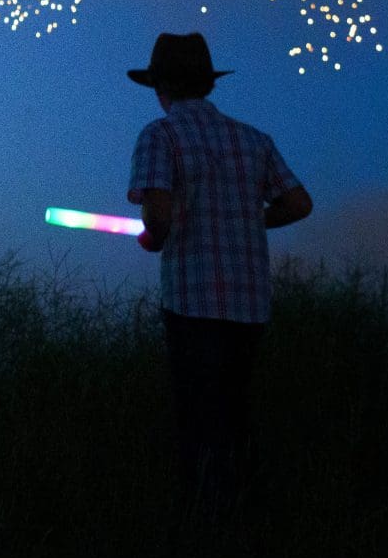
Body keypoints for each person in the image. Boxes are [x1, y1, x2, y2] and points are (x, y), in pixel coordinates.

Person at [124, 32, 311, 518]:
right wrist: (251, 219)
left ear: (161, 87)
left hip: (192, 300)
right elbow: (298, 203)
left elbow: (158, 214)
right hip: (251, 304)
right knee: (236, 411)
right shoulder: (254, 140)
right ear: (207, 84)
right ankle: (249, 516)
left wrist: (152, 238)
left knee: (198, 417)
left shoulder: (159, 135)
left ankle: (207, 526)